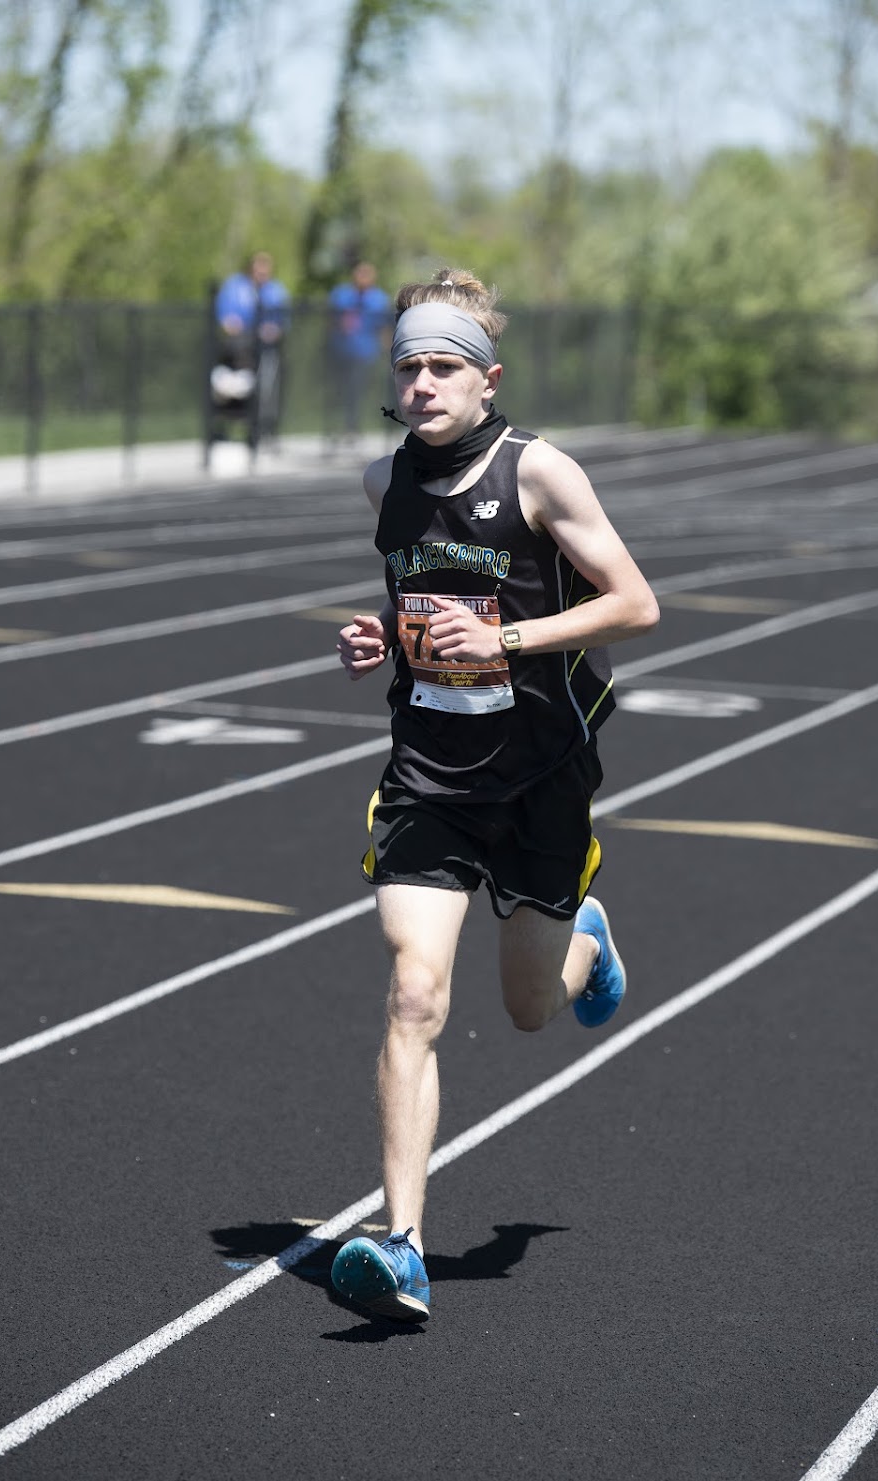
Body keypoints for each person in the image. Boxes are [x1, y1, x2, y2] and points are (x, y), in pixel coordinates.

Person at [329, 268, 660, 1323]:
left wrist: (506, 638)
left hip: (540, 776)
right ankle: (402, 1245)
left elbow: (635, 604)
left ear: (488, 380)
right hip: (428, 772)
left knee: (527, 1010)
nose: (422, 385)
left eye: (443, 367)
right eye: (408, 368)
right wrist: (381, 638)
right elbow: (418, 603)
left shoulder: (540, 473)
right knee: (414, 994)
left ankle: (586, 942)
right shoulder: (382, 483)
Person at [212, 252, 291, 442]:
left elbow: (283, 321)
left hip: (265, 350)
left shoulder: (276, 291)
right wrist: (231, 324)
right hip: (236, 349)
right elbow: (225, 316)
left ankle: (262, 429)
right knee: (225, 387)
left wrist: (273, 330)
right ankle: (222, 427)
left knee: (265, 388)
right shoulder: (235, 287)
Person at [326, 261, 393, 442]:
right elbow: (330, 322)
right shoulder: (341, 296)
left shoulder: (379, 299)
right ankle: (334, 427)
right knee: (337, 392)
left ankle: (353, 427)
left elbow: (384, 329)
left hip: (365, 355)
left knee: (357, 392)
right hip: (340, 353)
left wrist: (388, 353)